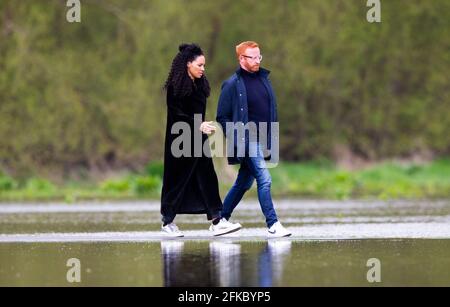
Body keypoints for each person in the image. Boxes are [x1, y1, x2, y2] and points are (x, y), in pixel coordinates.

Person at [161, 43, 242, 237]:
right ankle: (167, 222)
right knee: (177, 180)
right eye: (200, 65)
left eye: (204, 65)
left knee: (207, 177)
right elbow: (177, 114)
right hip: (179, 140)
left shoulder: (200, 85)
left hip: (199, 139)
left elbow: (198, 113)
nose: (203, 69)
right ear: (188, 64)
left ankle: (217, 221)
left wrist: (202, 126)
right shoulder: (175, 87)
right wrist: (198, 125)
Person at [216, 41, 291, 238]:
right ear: (241, 59)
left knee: (243, 183)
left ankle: (220, 219)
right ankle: (273, 224)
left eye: (259, 57)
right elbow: (221, 117)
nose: (257, 61)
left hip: (264, 138)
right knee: (264, 179)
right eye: (253, 57)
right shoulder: (232, 84)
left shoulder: (265, 79)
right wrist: (235, 135)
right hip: (246, 139)